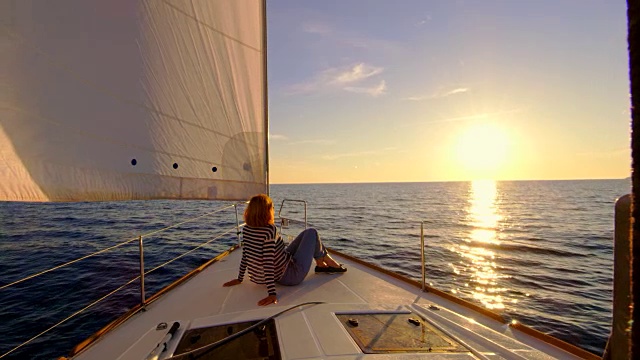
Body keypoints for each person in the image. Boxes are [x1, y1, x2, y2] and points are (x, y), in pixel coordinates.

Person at [223, 194, 346, 306]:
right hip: (290, 276)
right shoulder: (269, 230)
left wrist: (240, 278)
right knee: (312, 232)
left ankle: (321, 261)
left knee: (306, 234)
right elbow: (267, 261)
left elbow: (246, 254)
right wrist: (272, 294)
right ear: (266, 211)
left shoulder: (247, 229)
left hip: (277, 268)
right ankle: (325, 261)